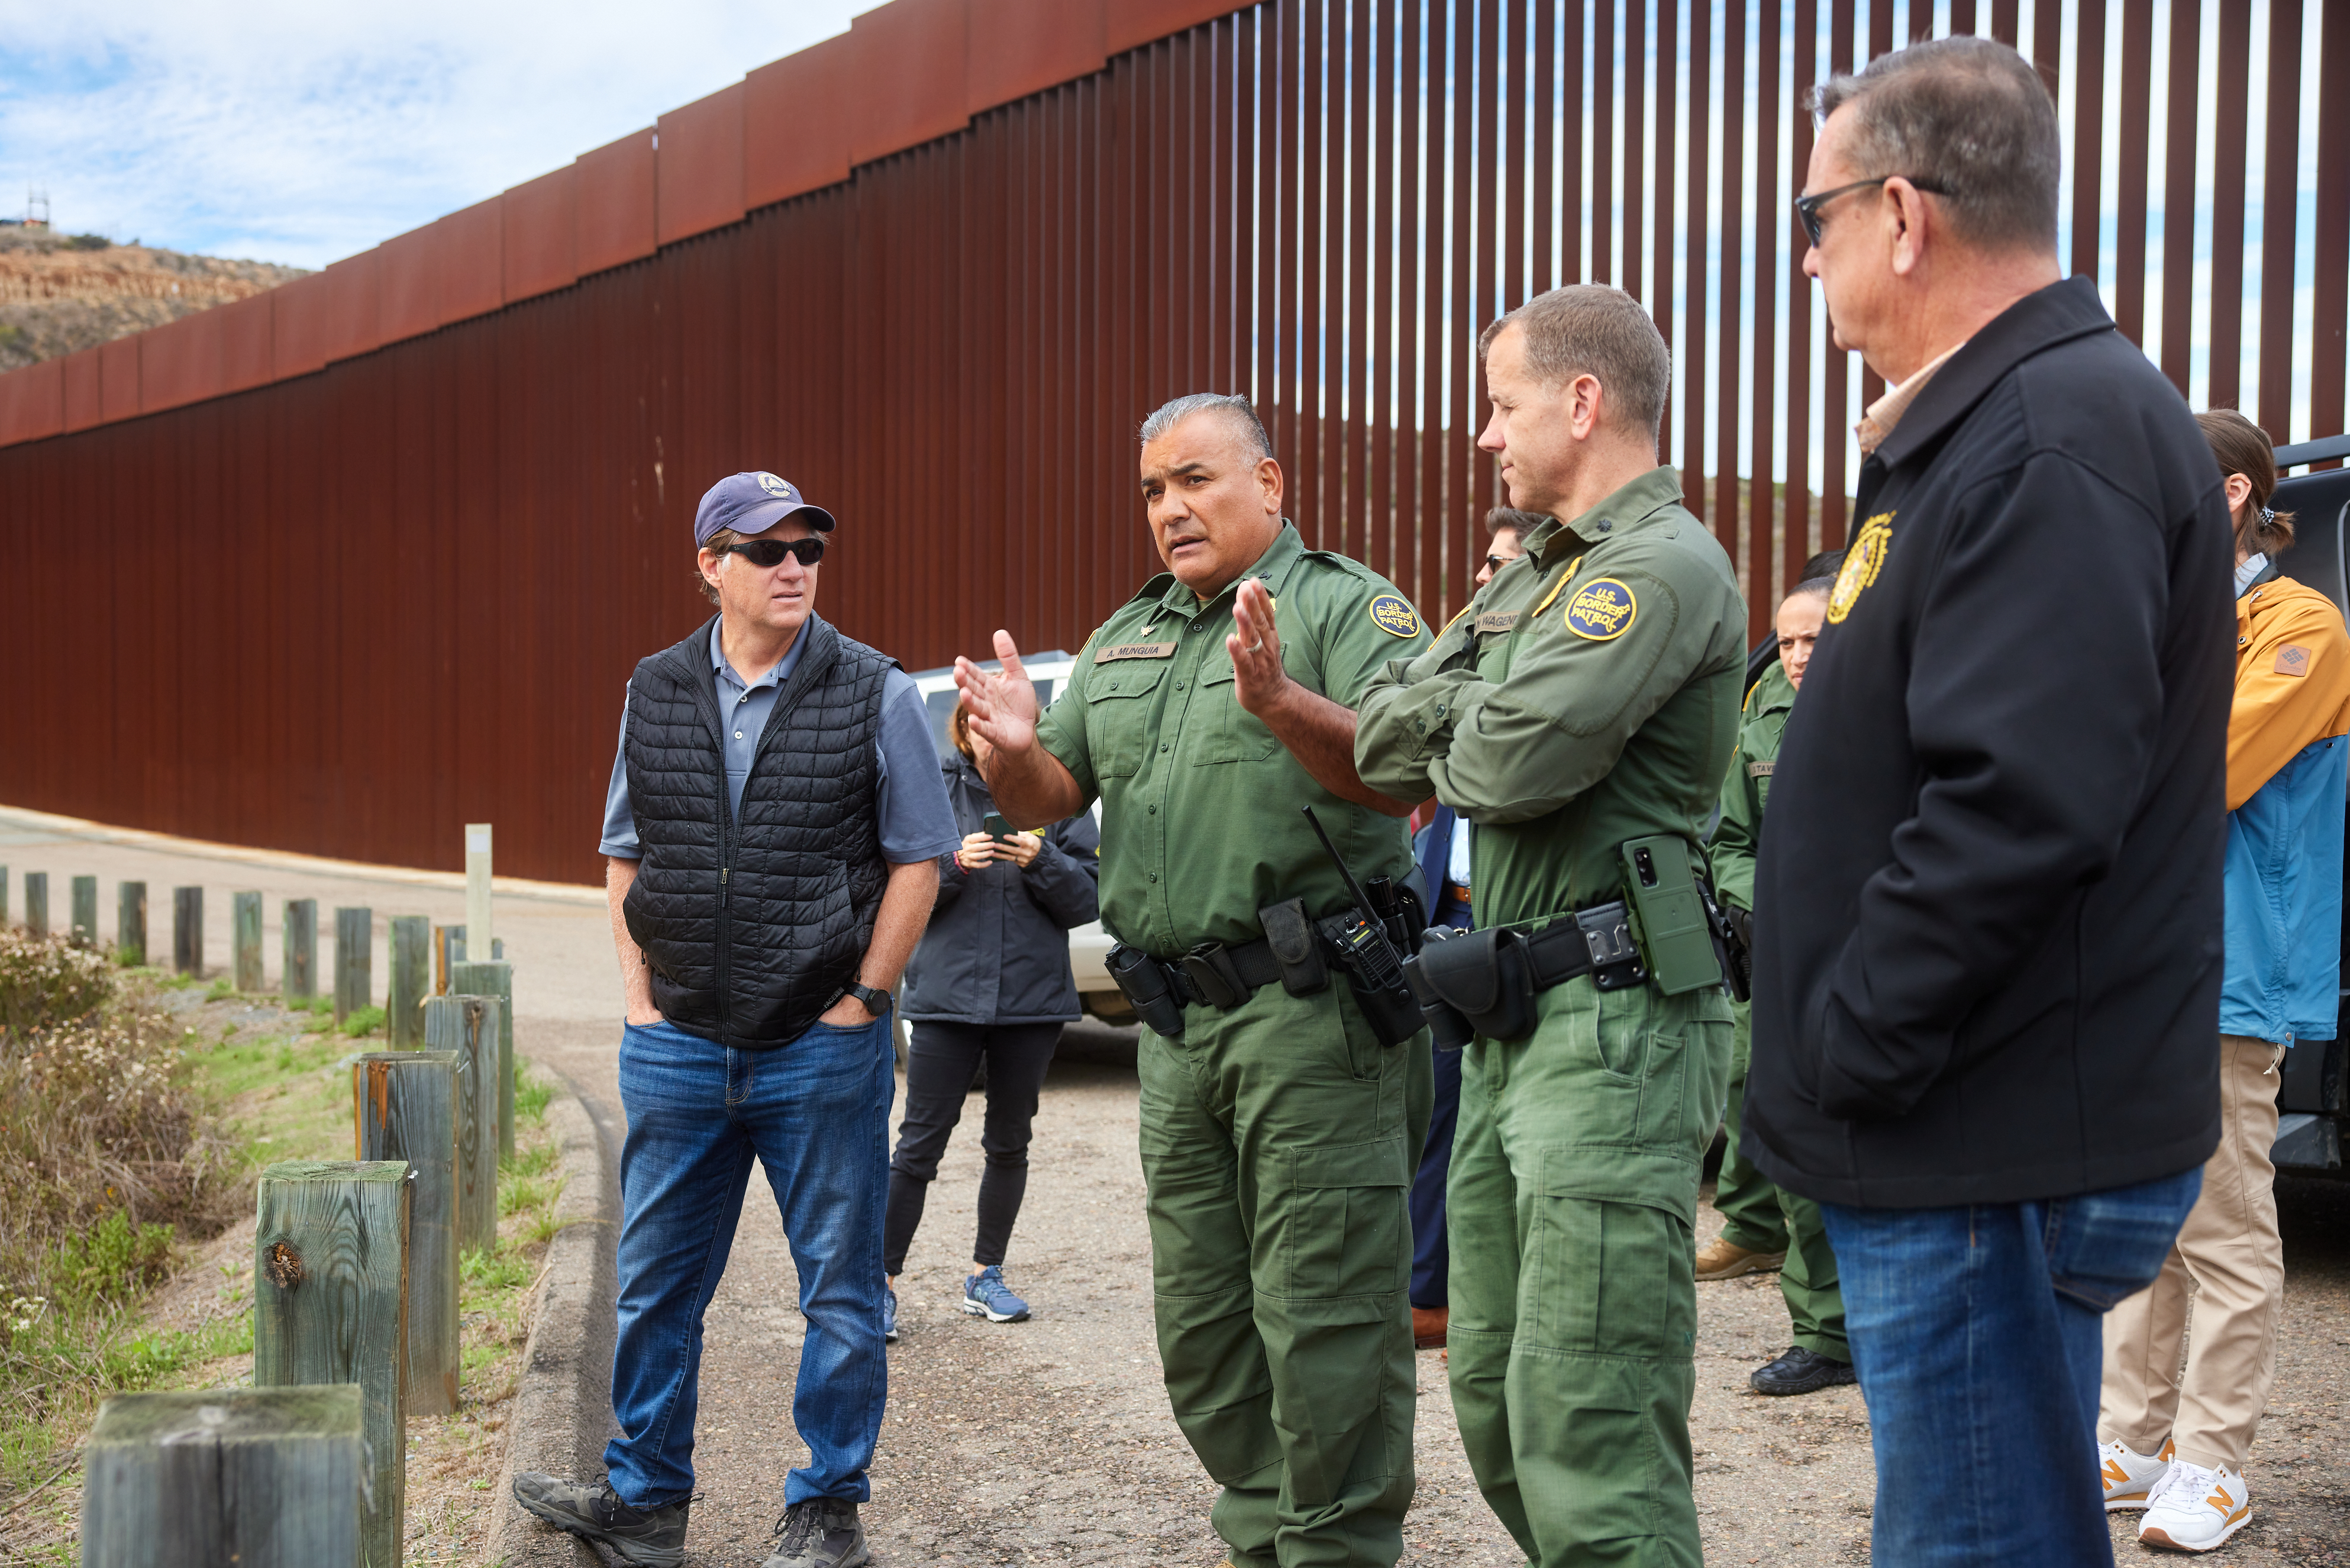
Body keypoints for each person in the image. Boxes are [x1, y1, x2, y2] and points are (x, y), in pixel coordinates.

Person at [1744, 37, 2232, 1568]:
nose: (1809, 263)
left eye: (1810, 221)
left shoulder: (2043, 435)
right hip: (1978, 1117)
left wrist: (1851, 1045)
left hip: (1974, 1126)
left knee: (1972, 1547)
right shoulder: (1994, 430)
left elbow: (2016, 803)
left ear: (1900, 215)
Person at [954, 392, 1433, 1568]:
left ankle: (1339, 1548)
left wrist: (1280, 700)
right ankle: (1266, 1534)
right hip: (1177, 1030)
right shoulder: (1127, 637)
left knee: (1325, 1320)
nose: (1170, 508)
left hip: (1313, 1021)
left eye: (1196, 479)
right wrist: (1014, 754)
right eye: (1153, 490)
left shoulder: (1345, 608)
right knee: (1207, 1330)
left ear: (1270, 484)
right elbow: (1049, 799)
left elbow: (1405, 770)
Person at [1356, 284, 1746, 1568]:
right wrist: (1479, 697)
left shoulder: (1660, 566)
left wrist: (1469, 701)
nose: (1485, 436)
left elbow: (1506, 764)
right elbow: (1380, 729)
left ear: (1583, 403)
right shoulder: (1540, 571)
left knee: (1593, 1417)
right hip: (1515, 1027)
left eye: (1500, 404)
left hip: (1615, 1026)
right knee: (1496, 1399)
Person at [514, 472, 960, 1568]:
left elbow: (922, 856)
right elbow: (624, 850)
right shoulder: (655, 686)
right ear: (710, 566)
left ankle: (824, 1510)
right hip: (678, 1044)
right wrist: (636, 1003)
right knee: (657, 1286)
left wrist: (864, 1001)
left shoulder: (873, 690)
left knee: (842, 1296)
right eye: (764, 550)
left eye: (807, 545)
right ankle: (646, 1501)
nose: (793, 565)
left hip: (819, 1046)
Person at [2099, 411, 2350, 1551]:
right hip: (2128, 962)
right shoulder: (2148, 622)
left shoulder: (2298, 625)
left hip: (2228, 966)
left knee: (2228, 1226)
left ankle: (2213, 1464)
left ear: (2235, 496)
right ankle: (2130, 1437)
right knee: (2136, 1220)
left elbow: (2203, 767)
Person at [883, 699, 1101, 1339]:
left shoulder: (1057, 801)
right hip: (946, 998)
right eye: (980, 731)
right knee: (918, 1144)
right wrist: (954, 865)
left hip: (1032, 1002)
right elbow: (901, 886)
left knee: (1010, 1142)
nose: (992, 742)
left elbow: (1091, 898)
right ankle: (879, 1284)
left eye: (1003, 732)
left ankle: (987, 1275)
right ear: (964, 732)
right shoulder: (932, 790)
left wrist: (1044, 860)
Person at [1701, 570, 1854, 1399]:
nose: (1796, 656)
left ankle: (1853, 1324)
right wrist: (1773, 903)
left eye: (1815, 640)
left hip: (1868, 960)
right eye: (1788, 640)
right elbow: (1728, 838)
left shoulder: (1895, 706)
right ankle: (1827, 1331)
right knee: (1783, 1136)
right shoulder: (1762, 713)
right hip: (1781, 965)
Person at [1403, 505, 1546, 1354]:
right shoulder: (1471, 665)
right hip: (1451, 928)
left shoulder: (1555, 677)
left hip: (1522, 931)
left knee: (1516, 1130)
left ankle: (1505, 1296)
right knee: (1438, 1114)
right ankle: (1430, 1292)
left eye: (1505, 565)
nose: (1485, 580)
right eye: (1485, 565)